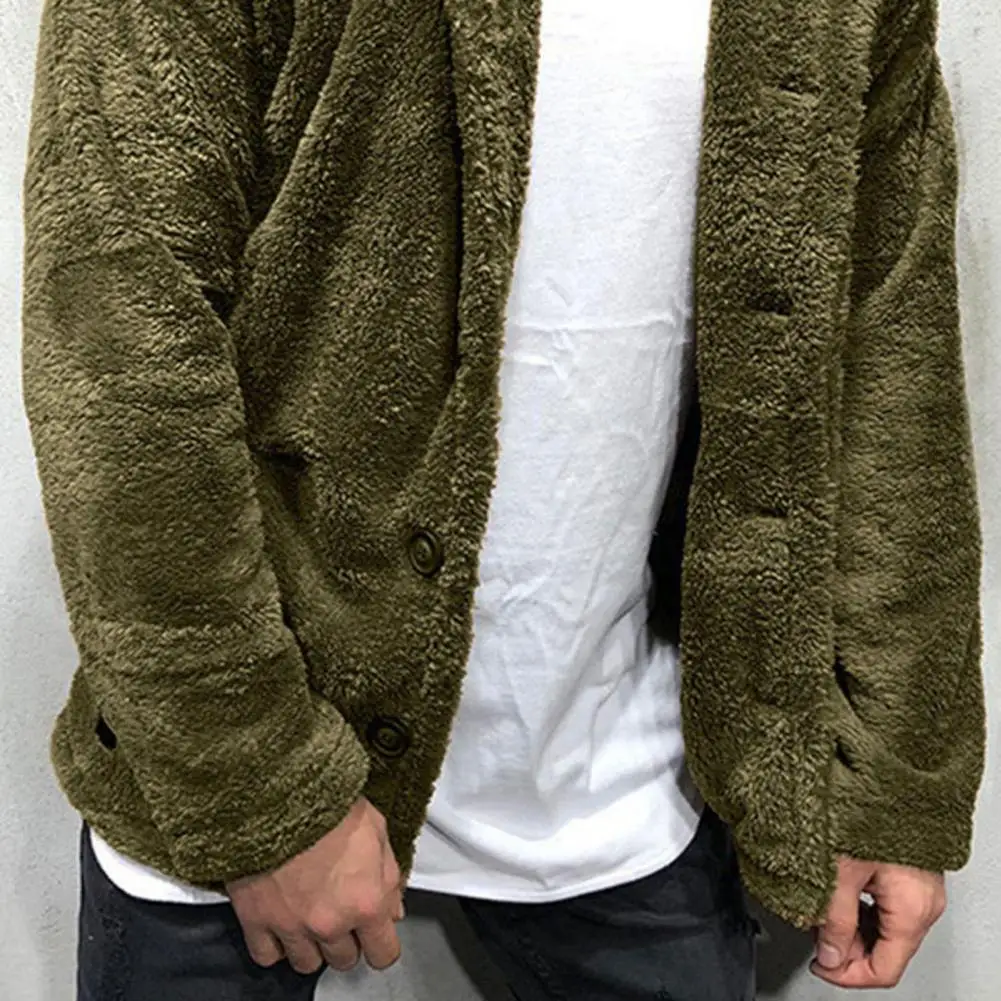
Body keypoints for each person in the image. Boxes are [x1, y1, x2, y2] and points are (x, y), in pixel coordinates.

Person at [19, 0, 985, 998]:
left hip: (626, 776)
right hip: (241, 766)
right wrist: (256, 789)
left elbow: (888, 352)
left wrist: (892, 773)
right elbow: (118, 347)